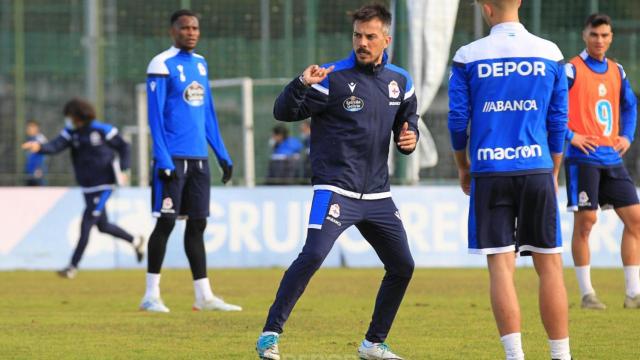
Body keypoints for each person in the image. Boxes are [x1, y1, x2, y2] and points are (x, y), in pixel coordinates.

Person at [255, 4, 418, 360]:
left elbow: (408, 121)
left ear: (386, 38)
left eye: (370, 36)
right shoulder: (333, 77)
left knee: (403, 265)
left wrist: (411, 138)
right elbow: (283, 113)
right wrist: (300, 83)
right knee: (313, 255)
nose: (362, 42)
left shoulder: (400, 81)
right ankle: (270, 334)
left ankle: (374, 343)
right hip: (335, 189)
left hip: (378, 195)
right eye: (357, 35)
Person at [448, 1, 572, 359]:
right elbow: (558, 119)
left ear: (485, 8)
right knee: (549, 266)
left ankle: (515, 356)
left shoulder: (469, 55)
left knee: (501, 268)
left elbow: (458, 119)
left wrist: (462, 164)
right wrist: (554, 168)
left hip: (489, 170)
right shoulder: (550, 53)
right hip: (537, 167)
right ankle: (561, 355)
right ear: (518, 2)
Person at [141, 9, 240, 313]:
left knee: (197, 224)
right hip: (172, 159)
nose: (192, 32)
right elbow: (154, 117)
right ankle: (151, 295)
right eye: (185, 28)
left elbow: (207, 114)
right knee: (166, 222)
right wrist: (162, 158)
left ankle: (204, 296)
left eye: (195, 28)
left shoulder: (201, 64)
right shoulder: (161, 64)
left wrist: (222, 154)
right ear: (173, 31)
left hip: (198, 160)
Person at [564, 14, 640, 310]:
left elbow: (630, 105)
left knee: (635, 221)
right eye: (595, 34)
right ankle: (587, 295)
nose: (600, 40)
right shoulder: (570, 70)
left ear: (611, 38)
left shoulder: (617, 71)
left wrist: (627, 136)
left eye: (605, 35)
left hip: (611, 157)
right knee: (586, 222)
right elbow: (551, 108)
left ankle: (633, 294)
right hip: (583, 159)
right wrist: (572, 136)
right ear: (585, 35)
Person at [22, 98, 144, 279]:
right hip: (87, 187)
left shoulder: (102, 130)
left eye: (70, 116)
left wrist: (125, 168)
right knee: (102, 226)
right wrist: (39, 147)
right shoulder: (71, 133)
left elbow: (124, 146)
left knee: (87, 223)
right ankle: (136, 241)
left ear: (78, 116)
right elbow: (55, 146)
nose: (68, 120)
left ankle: (72, 267)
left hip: (104, 185)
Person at [24, 120, 47, 186]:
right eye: (28, 127)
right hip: (29, 172)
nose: (29, 129)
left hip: (38, 171)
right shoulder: (29, 138)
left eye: (32, 127)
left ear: (37, 128)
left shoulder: (40, 138)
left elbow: (44, 146)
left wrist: (39, 169)